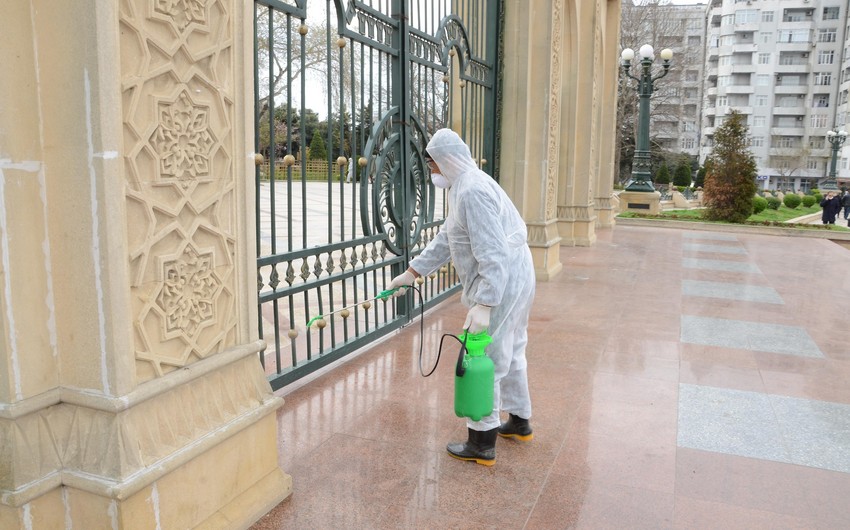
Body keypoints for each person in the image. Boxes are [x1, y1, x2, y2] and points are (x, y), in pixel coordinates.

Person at [389, 128, 536, 467]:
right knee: (512, 349)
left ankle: (482, 441)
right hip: (514, 276)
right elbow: (448, 238)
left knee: (486, 355)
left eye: (432, 165)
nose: (432, 172)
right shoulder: (465, 185)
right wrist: (413, 272)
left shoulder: (471, 191)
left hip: (502, 280)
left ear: (446, 160)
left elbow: (493, 252)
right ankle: (520, 421)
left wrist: (485, 303)